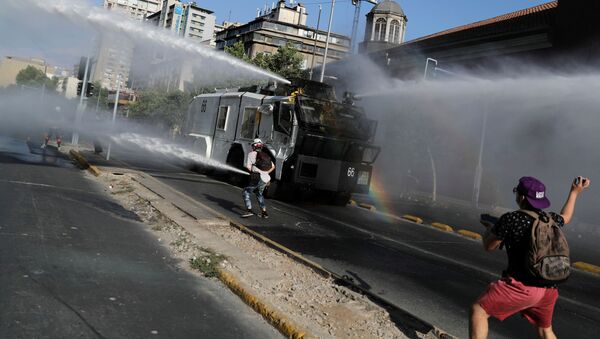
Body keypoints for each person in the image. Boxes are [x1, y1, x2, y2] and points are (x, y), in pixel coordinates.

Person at [470, 176, 590, 339]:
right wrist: (575, 192)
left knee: (479, 311)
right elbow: (566, 216)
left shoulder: (511, 219)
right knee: (545, 330)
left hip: (522, 287)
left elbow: (489, 246)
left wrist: (489, 229)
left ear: (522, 197)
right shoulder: (549, 219)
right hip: (548, 288)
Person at [241, 138, 275, 218]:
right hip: (266, 179)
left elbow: (248, 167)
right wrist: (266, 173)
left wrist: (253, 172)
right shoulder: (265, 155)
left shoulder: (251, 154)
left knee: (245, 192)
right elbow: (273, 167)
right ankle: (264, 213)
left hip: (257, 178)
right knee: (259, 194)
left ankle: (249, 210)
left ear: (254, 146)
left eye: (253, 145)